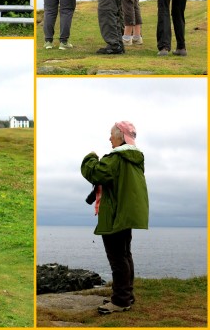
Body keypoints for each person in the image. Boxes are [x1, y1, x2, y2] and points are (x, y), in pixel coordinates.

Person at [81, 121, 149, 315]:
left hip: (115, 215)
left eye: (111, 134)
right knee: (125, 255)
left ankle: (120, 301)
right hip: (126, 214)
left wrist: (90, 157)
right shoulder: (133, 158)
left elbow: (95, 173)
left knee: (117, 258)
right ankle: (127, 295)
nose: (109, 138)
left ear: (120, 137)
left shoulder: (116, 158)